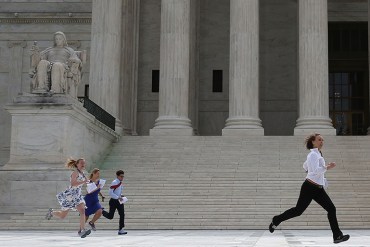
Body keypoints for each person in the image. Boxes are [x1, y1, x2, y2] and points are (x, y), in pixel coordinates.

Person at [268, 133, 350, 244]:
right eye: (319, 140)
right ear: (313, 142)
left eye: (322, 140)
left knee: (331, 209)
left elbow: (305, 166)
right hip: (309, 187)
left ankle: (337, 236)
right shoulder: (312, 155)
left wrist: (320, 175)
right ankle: (276, 220)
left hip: (318, 188)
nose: (322, 141)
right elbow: (315, 171)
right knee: (298, 211)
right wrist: (327, 167)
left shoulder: (318, 153)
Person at [45, 158, 91, 238]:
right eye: (81, 163)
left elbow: (80, 183)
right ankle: (51, 212)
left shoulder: (82, 173)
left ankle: (82, 230)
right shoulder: (75, 173)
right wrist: (84, 181)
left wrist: (87, 182)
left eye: (84, 163)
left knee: (82, 210)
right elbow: (73, 184)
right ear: (77, 164)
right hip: (71, 195)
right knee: (62, 216)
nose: (83, 164)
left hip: (78, 195)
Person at [102, 170, 127, 235]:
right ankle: (102, 211)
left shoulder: (120, 183)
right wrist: (117, 197)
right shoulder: (114, 182)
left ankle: (121, 229)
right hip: (113, 201)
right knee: (110, 216)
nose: (122, 178)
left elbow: (119, 192)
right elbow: (110, 192)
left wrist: (121, 196)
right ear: (117, 176)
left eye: (123, 176)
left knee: (122, 214)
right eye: (121, 176)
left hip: (119, 201)